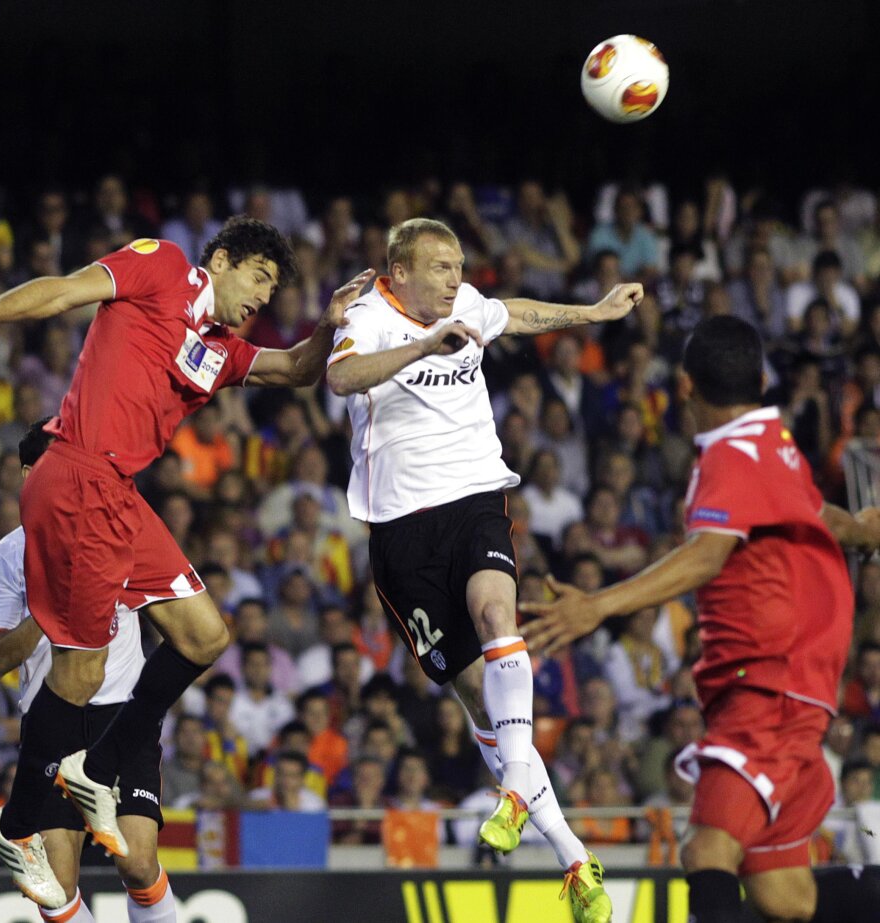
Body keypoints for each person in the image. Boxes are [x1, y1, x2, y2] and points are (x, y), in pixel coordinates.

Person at [0, 216, 371, 860]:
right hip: (78, 473)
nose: (263, 297)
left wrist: (327, 325)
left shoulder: (220, 349)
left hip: (119, 494)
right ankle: (16, 826)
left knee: (206, 636)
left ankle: (94, 766)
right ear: (225, 259)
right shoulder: (165, 265)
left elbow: (294, 369)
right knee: (83, 668)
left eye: (272, 289)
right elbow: (66, 290)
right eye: (259, 277)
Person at [324, 218, 638, 923]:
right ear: (398, 271)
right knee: (479, 701)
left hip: (473, 498)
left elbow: (515, 314)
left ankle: (515, 793)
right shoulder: (367, 315)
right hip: (401, 530)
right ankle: (572, 855)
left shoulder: (465, 303)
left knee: (501, 616)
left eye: (459, 265)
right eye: (439, 266)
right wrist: (423, 345)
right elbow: (341, 374)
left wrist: (593, 310)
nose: (454, 278)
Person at [523, 315, 880, 923]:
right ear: (761, 380)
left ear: (685, 388)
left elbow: (707, 553)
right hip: (796, 681)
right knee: (783, 895)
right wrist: (861, 528)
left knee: (707, 849)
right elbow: (817, 512)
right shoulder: (774, 440)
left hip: (768, 684)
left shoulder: (728, 461)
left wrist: (596, 605)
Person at [0, 418, 178, 922]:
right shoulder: (5, 559)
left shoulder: (118, 532)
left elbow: (173, 613)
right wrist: (48, 612)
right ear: (28, 477)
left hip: (120, 717)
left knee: (137, 861)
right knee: (57, 886)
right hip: (52, 721)